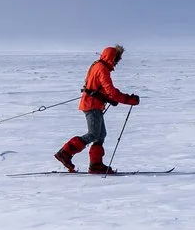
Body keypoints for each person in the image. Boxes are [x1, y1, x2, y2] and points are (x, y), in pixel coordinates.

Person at [55, 44, 140, 174]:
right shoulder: (102, 69)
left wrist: (108, 98)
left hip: (93, 104)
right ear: (112, 58)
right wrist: (128, 100)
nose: (117, 63)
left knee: (101, 135)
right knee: (94, 134)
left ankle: (96, 165)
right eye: (117, 59)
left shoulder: (97, 65)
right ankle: (65, 153)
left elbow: (99, 88)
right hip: (92, 105)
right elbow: (111, 91)